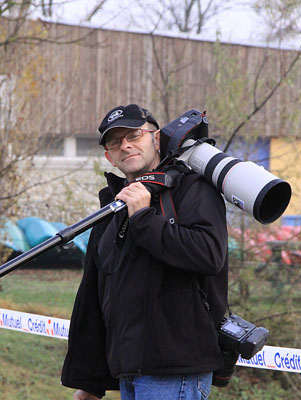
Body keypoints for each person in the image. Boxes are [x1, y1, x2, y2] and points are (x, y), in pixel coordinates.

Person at [61, 104, 229, 400]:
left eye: (134, 135)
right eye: (115, 141)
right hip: (131, 371)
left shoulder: (192, 189)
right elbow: (100, 295)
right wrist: (91, 381)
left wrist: (144, 219)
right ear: (108, 156)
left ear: (156, 139)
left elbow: (208, 255)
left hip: (175, 371)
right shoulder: (114, 206)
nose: (125, 145)